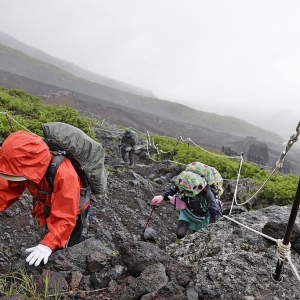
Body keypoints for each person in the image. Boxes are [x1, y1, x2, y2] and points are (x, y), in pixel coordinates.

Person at [0, 131, 90, 267]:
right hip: (48, 206)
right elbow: (6, 190)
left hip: (73, 213)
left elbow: (65, 216)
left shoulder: (65, 174)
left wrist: (47, 245)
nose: (18, 180)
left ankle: (80, 252)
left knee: (67, 247)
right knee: (51, 237)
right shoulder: (21, 163)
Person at [151, 171, 222, 239]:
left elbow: (214, 209)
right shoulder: (185, 183)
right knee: (180, 234)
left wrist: (217, 227)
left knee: (198, 236)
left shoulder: (207, 191)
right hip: (187, 211)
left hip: (202, 217)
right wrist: (162, 196)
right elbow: (173, 189)